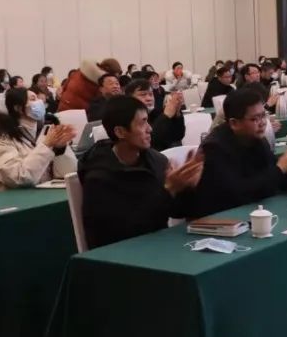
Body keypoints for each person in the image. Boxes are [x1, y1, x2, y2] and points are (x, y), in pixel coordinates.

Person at [79, 96, 204, 249]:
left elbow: (178, 211)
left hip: (158, 246)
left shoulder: (156, 161)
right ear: (120, 132)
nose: (150, 129)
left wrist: (188, 187)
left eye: (148, 121)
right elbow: (128, 228)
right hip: (120, 254)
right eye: (142, 123)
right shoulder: (99, 177)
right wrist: (169, 189)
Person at [180, 89, 287, 220]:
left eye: (263, 115)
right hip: (216, 220)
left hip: (249, 212)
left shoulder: (258, 140)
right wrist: (280, 169)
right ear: (234, 123)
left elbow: (272, 180)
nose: (262, 122)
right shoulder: (214, 148)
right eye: (255, 119)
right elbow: (239, 193)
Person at [0, 88, 77, 192]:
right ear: (18, 108)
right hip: (12, 198)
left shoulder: (43, 131)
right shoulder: (3, 139)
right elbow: (19, 177)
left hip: (42, 193)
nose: (39, 102)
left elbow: (69, 174)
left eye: (38, 98)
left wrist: (60, 150)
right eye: (33, 99)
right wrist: (46, 145)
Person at [125, 78, 185, 151]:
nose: (149, 98)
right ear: (130, 98)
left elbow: (177, 136)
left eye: (151, 94)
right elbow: (150, 143)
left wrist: (177, 113)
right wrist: (166, 116)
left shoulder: (155, 113)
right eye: (143, 94)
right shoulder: (129, 118)